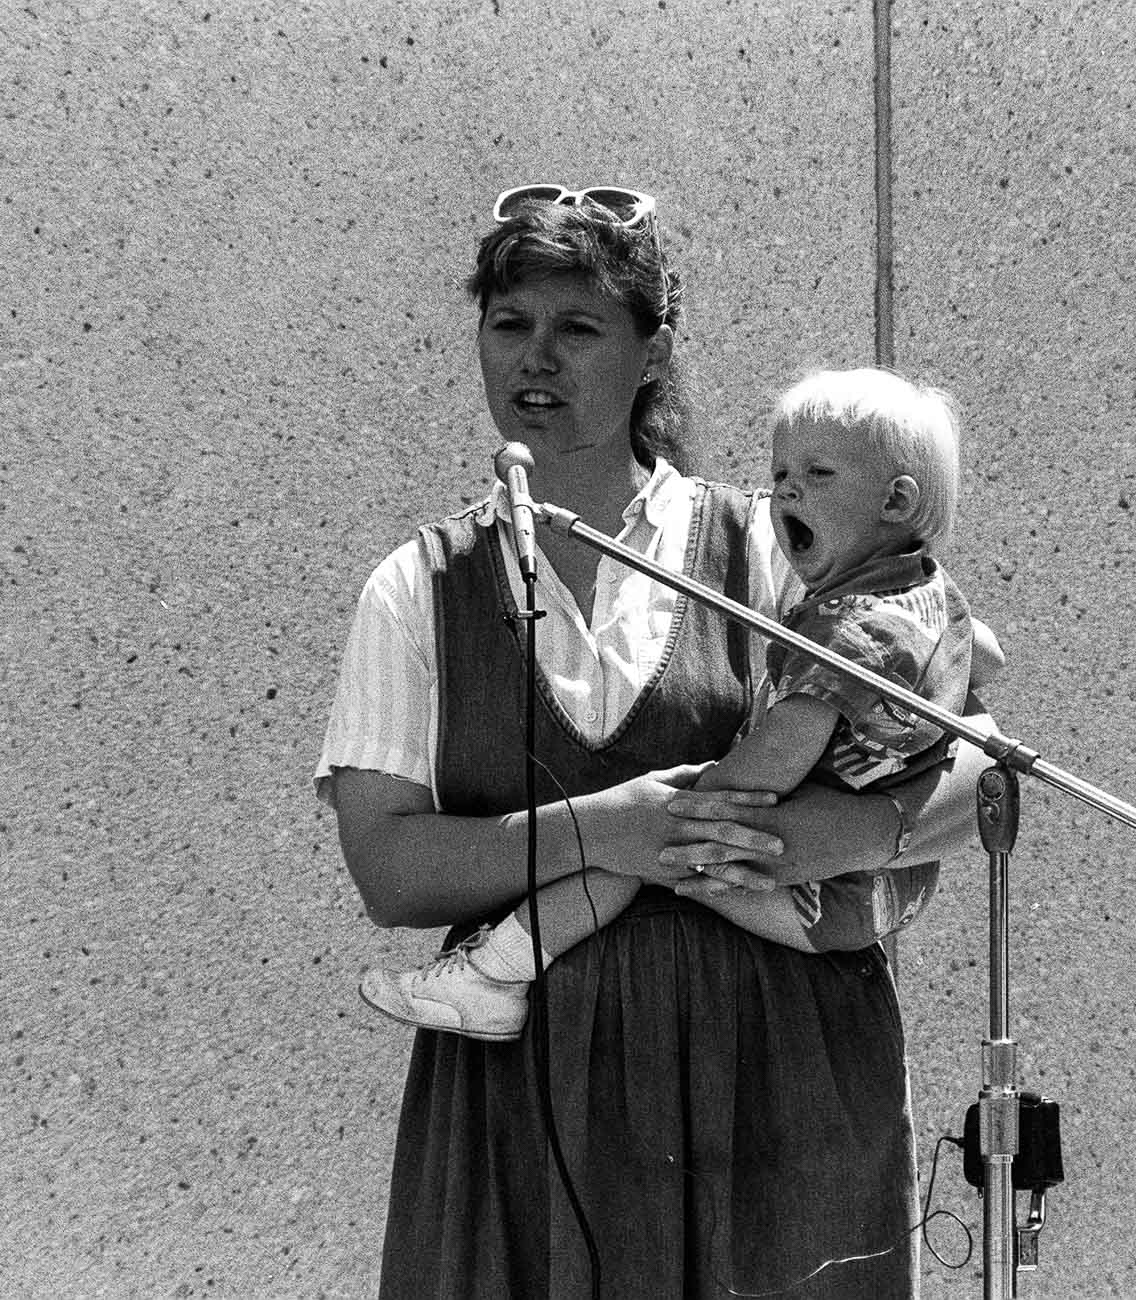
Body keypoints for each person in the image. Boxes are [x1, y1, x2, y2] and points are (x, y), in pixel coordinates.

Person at [313, 183, 1000, 1299]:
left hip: (774, 1091)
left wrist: (839, 836)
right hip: (523, 1107)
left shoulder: (781, 549)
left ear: (651, 353)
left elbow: (979, 769)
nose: (537, 358)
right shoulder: (417, 589)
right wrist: (609, 830)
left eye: (579, 327)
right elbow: (388, 870)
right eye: (509, 324)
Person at [358, 366, 997, 1038]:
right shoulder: (930, 599)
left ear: (894, 503)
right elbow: (985, 659)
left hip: (817, 900)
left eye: (817, 475)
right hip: (876, 894)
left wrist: (691, 811)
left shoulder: (851, 630)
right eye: (780, 472)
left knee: (626, 849)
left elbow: (791, 753)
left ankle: (495, 973)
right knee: (620, 837)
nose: (785, 491)